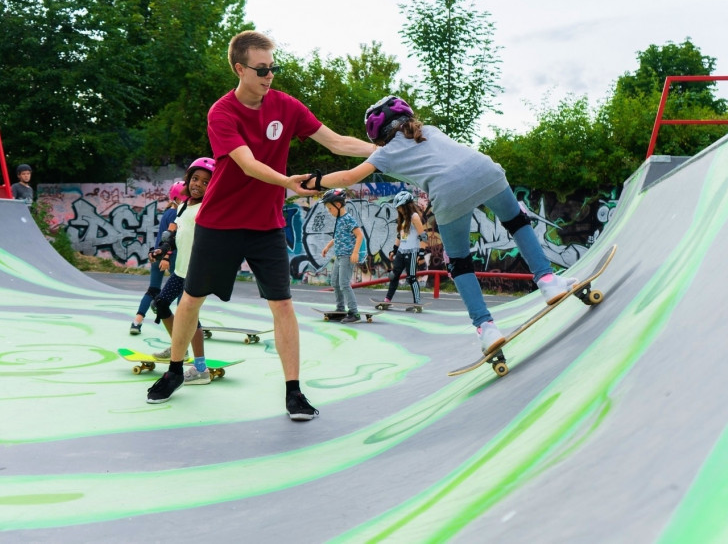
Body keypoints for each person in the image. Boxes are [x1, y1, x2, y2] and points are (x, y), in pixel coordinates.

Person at [145, 30, 375, 420]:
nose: (270, 76)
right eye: (262, 69)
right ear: (240, 68)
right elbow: (247, 164)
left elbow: (336, 142)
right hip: (220, 222)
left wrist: (386, 150)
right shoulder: (222, 112)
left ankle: (294, 392)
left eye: (274, 68)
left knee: (283, 304)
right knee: (191, 298)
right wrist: (287, 182)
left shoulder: (286, 107)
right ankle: (174, 371)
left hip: (266, 224)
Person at [302, 95, 576, 356]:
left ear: (378, 135)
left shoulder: (384, 155)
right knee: (517, 220)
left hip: (448, 193)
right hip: (485, 170)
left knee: (459, 261)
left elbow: (350, 176)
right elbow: (373, 147)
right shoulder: (428, 130)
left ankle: (486, 328)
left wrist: (316, 182)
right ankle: (549, 281)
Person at [146, 158, 215, 388]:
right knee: (161, 304)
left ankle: (202, 369)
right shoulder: (184, 205)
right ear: (188, 179)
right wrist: (162, 249)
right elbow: (173, 234)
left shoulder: (210, 207)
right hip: (180, 270)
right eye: (195, 179)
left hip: (198, 273)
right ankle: (180, 346)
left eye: (206, 182)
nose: (198, 184)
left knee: (190, 316)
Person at [129, 181, 185, 335]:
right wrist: (167, 257)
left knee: (153, 290)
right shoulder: (176, 213)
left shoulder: (167, 212)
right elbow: (170, 237)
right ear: (178, 199)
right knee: (182, 290)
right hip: (170, 256)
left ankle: (136, 323)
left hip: (158, 253)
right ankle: (184, 325)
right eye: (185, 198)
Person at [320, 188, 364, 323]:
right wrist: (328, 246)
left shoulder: (347, 219)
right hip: (339, 256)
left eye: (330, 208)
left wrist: (355, 252)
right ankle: (340, 309)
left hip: (347, 256)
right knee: (335, 282)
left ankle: (354, 313)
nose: (329, 211)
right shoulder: (339, 220)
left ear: (338, 205)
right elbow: (338, 237)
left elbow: (359, 235)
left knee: (344, 283)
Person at [384, 190, 427, 305]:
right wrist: (394, 250)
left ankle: (417, 302)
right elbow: (400, 235)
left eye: (400, 207)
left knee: (411, 278)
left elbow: (423, 236)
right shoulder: (403, 218)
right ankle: (387, 300)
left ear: (407, 205)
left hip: (412, 252)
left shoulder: (414, 217)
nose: (399, 209)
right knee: (393, 276)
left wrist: (421, 254)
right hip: (401, 252)